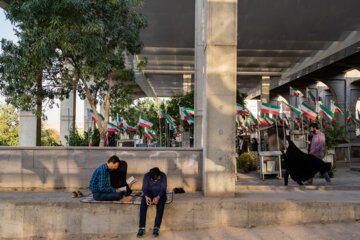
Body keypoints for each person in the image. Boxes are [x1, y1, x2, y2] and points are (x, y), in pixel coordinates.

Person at [137, 167, 167, 238]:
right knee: (143, 204)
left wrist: (158, 197)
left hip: (160, 194)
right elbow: (144, 188)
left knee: (161, 205)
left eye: (158, 179)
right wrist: (146, 196)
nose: (156, 180)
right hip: (149, 194)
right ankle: (142, 228)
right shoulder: (146, 176)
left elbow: (163, 188)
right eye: (155, 180)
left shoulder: (163, 176)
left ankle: (156, 228)